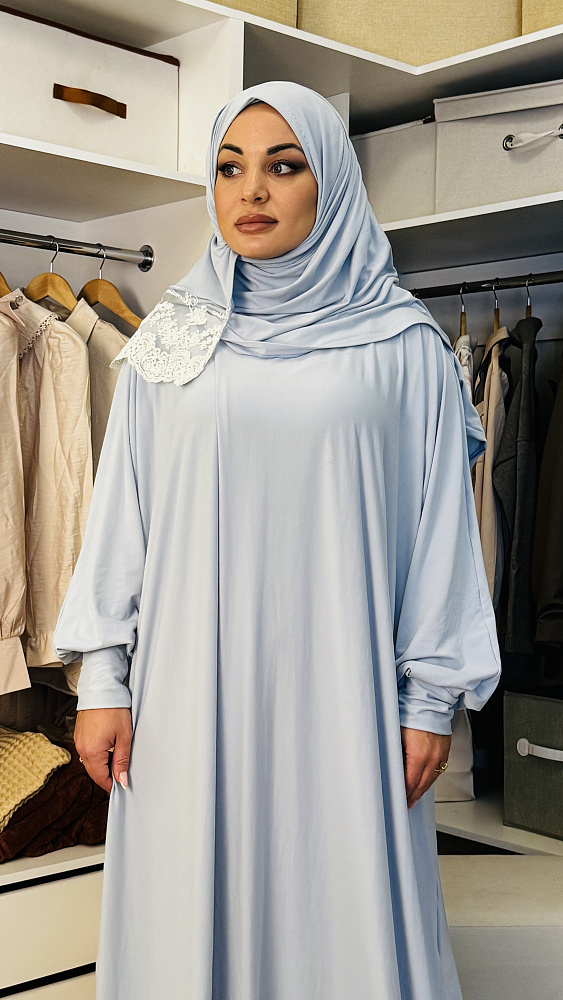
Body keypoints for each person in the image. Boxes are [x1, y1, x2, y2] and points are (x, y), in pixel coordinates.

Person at [53, 81, 501, 1000]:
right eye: (229, 168)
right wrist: (102, 680)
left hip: (346, 692)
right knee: (189, 908)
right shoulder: (170, 342)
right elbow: (120, 519)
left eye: (283, 166)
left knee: (340, 903)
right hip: (186, 695)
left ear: (329, 182)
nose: (250, 190)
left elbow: (440, 538)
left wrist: (428, 701)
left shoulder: (403, 345)